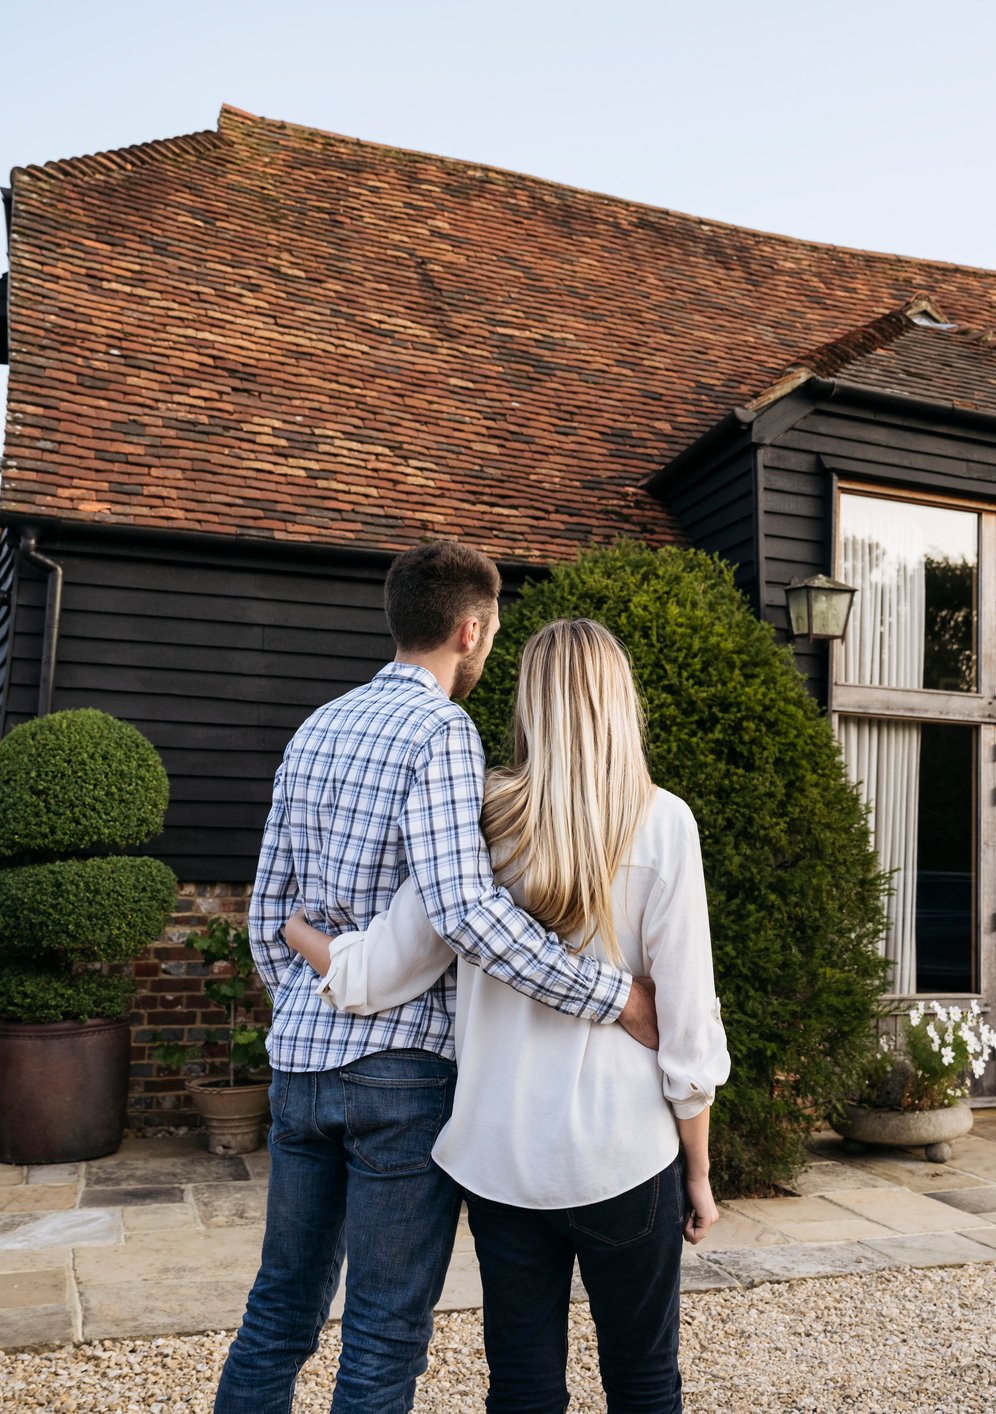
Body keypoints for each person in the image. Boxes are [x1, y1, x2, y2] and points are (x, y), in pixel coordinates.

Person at [215, 544, 661, 1414]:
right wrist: (612, 996)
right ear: (471, 629)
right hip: (401, 1076)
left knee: (279, 1308)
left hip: (299, 1066)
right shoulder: (442, 733)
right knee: (383, 1333)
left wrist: (313, 1002)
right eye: (491, 633)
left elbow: (267, 909)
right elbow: (463, 912)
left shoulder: (317, 725)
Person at [282, 617, 730, 1414]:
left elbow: (388, 967)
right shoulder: (664, 822)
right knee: (644, 1383)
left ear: (529, 704)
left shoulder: (483, 819)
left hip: (499, 1162)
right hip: (622, 1157)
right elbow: (686, 1023)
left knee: (521, 1388)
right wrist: (697, 1170)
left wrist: (304, 939)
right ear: (620, 703)